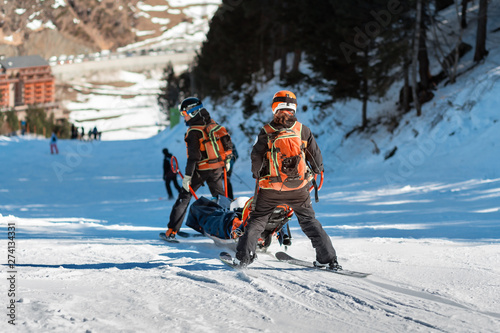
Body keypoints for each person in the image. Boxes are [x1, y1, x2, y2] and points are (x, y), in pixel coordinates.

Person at [235, 90, 341, 270]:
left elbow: (256, 160)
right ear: (294, 108)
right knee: (309, 221)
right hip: (299, 189)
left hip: (270, 189)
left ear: (274, 108)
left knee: (258, 221)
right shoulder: (302, 130)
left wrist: (259, 175)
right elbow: (317, 162)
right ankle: (327, 258)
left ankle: (243, 258)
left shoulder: (266, 131)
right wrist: (312, 176)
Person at [164, 97, 232, 240]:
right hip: (218, 168)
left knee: (184, 197)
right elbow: (227, 144)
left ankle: (172, 231)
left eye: (184, 113)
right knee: (220, 199)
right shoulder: (214, 125)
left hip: (201, 170)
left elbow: (193, 157)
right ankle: (227, 230)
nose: (184, 117)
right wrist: (227, 161)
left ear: (193, 112)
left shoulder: (193, 132)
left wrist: (188, 177)